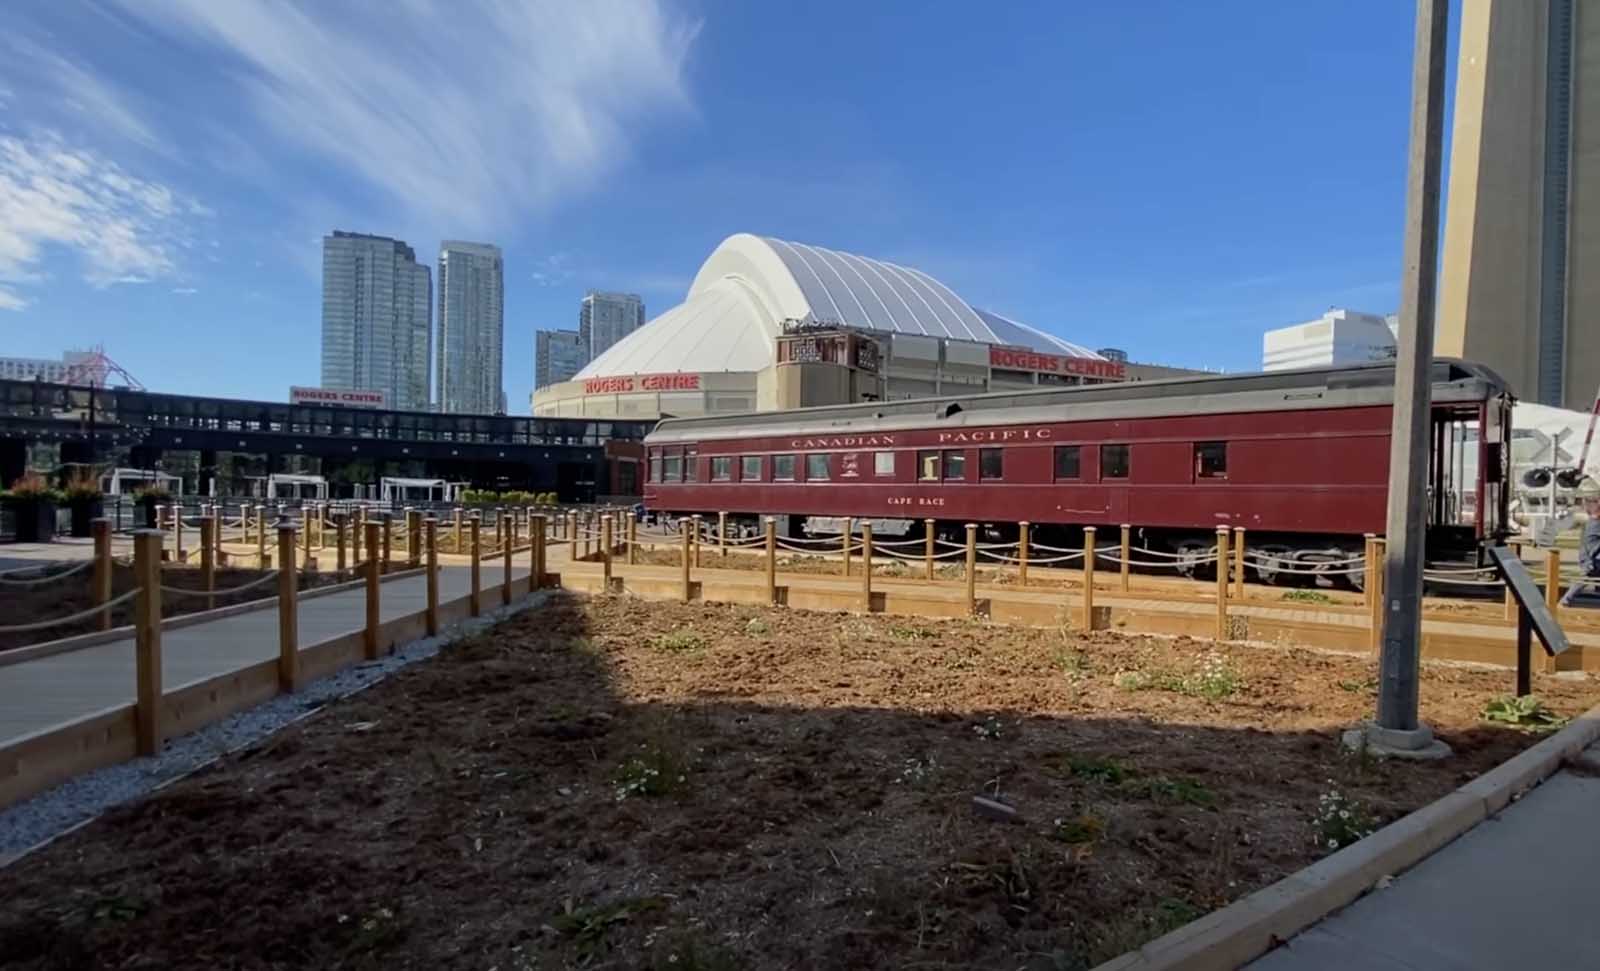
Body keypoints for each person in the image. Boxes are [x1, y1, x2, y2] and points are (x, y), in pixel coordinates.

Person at [1560, 483, 1600, 607]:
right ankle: (1565, 601)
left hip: (1592, 558)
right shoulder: (1595, 524)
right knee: (1584, 578)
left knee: (1588, 577)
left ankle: (1566, 601)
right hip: (1591, 559)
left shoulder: (1593, 522)